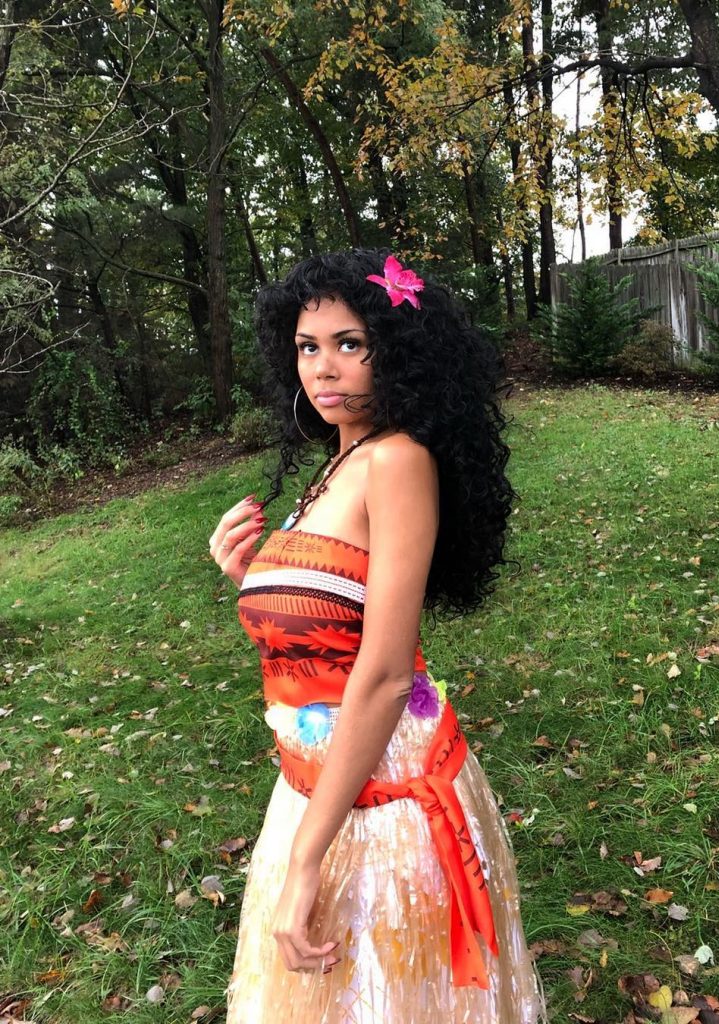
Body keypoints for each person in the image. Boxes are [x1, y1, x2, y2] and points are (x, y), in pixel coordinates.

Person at [210, 248, 549, 1023]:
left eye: (349, 344)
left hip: (384, 795)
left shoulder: (396, 460)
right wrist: (251, 580)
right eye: (307, 346)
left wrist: (305, 862)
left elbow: (388, 672)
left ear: (397, 351)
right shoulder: (338, 463)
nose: (323, 368)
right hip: (320, 778)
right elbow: (332, 625)